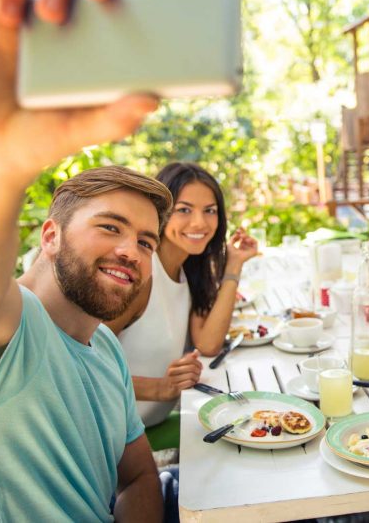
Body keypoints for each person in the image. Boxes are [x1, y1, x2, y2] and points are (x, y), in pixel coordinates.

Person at [0, 0, 175, 521]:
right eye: (110, 227)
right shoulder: (7, 330)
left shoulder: (103, 348)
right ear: (50, 237)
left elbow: (137, 475)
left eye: (147, 242)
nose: (133, 249)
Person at [107, 162, 258, 448]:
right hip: (114, 438)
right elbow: (81, 365)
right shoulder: (140, 273)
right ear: (160, 212)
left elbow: (209, 344)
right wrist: (160, 388)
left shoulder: (189, 268)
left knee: (253, 426)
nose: (200, 223)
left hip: (150, 426)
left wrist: (234, 264)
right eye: (184, 210)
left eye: (209, 210)